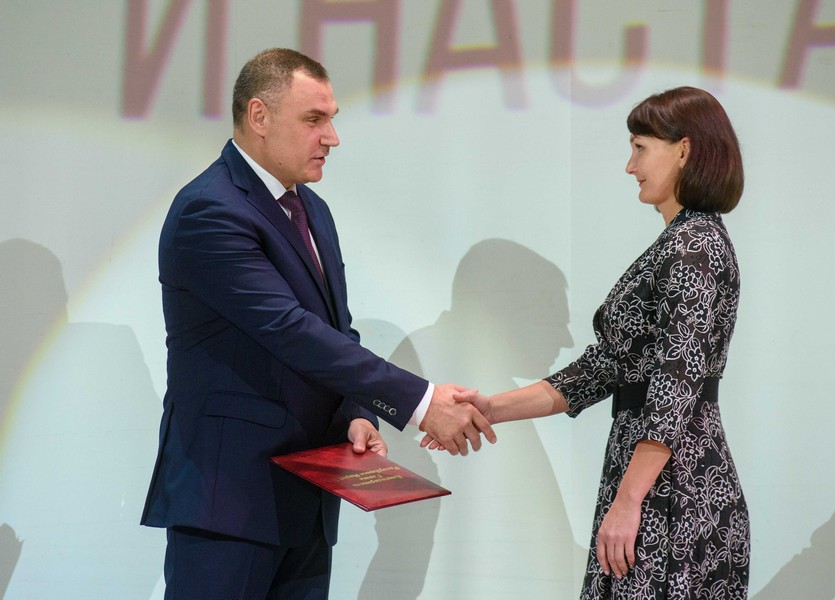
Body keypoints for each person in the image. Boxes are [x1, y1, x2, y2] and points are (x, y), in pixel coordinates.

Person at [140, 48, 495, 600]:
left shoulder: (311, 209)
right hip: (228, 502)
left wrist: (356, 413)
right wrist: (422, 402)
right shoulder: (210, 210)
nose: (332, 137)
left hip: (307, 497)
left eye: (332, 119)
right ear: (259, 116)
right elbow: (288, 330)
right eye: (314, 119)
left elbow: (333, 331)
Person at [441, 86, 750, 598]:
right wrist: (490, 408)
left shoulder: (693, 245)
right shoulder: (683, 241)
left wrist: (628, 503)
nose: (630, 166)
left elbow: (673, 387)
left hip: (673, 485)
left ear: (684, 150)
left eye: (640, 148)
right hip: (658, 475)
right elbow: (602, 368)